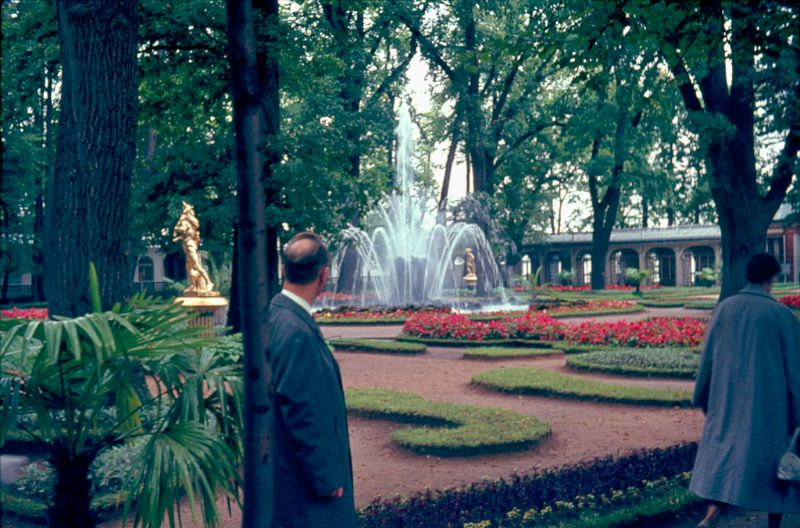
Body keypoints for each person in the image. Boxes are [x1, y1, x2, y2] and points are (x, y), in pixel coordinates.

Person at [690, 252, 800, 528]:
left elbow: (708, 358)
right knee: (776, 469)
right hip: (769, 405)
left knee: (722, 458)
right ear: (773, 277)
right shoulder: (781, 315)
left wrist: (702, 395)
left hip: (726, 399)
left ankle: (713, 512)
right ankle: (773, 523)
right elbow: (795, 371)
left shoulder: (725, 308)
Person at [268, 232, 356, 528]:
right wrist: (327, 478)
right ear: (324, 275)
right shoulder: (295, 330)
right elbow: (302, 410)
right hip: (305, 489)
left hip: (287, 471)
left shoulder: (279, 314)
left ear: (284, 270)